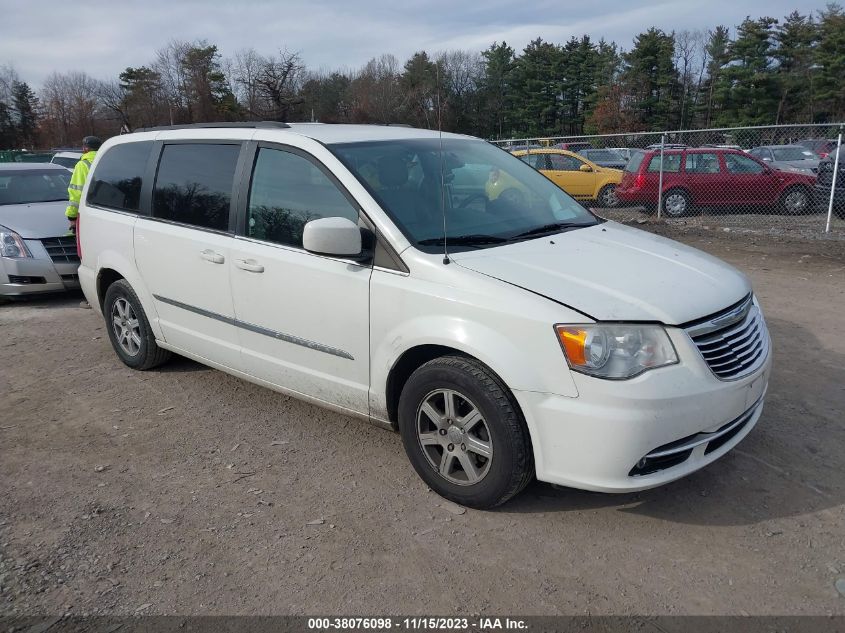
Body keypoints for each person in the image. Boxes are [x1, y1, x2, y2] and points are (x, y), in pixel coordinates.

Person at [66, 136, 101, 309]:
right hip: (109, 214)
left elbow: (76, 194)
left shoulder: (83, 165)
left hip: (87, 216)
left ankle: (91, 298)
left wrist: (71, 217)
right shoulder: (106, 160)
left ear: (85, 148)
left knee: (86, 256)